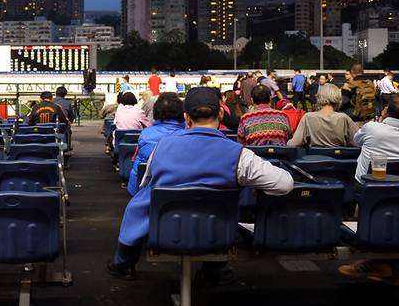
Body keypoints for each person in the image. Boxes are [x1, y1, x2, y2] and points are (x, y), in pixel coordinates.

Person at [107, 87, 293, 281]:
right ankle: (213, 272)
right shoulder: (240, 155)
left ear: (187, 118)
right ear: (220, 113)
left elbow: (145, 185)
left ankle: (123, 263)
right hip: (217, 234)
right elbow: (285, 184)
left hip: (165, 231)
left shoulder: (162, 147)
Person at [339, 92, 399, 287]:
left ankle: (377, 263)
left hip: (367, 192)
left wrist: (380, 121)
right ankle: (393, 270)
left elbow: (356, 141)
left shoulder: (372, 128)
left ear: (385, 110)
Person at [127, 93, 185, 196]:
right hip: (182, 196)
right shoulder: (188, 135)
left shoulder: (145, 134)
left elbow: (137, 172)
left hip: (150, 197)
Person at [287, 83, 359, 147]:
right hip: (339, 159)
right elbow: (359, 142)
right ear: (338, 98)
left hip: (314, 159)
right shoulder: (344, 118)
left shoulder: (308, 117)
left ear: (319, 97)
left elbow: (294, 143)